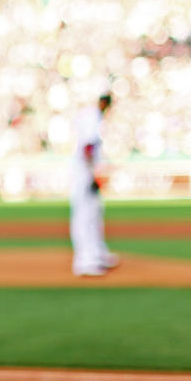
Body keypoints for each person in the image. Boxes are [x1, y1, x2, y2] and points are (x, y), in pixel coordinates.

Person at [70, 90, 119, 276]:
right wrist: (92, 174)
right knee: (85, 216)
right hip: (84, 171)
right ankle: (85, 261)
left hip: (85, 170)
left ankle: (97, 253)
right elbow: (87, 147)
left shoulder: (92, 114)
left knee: (94, 212)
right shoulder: (92, 116)